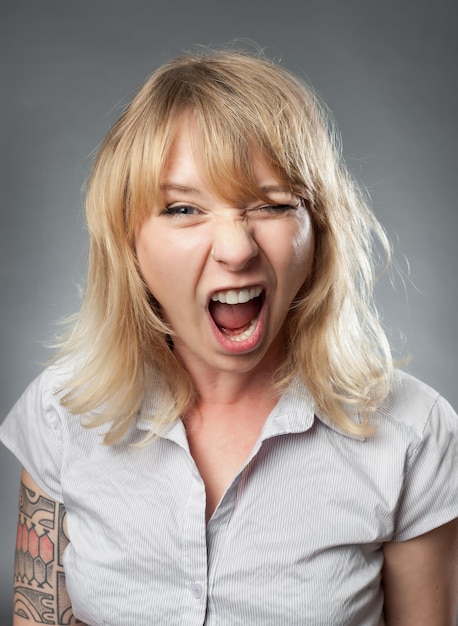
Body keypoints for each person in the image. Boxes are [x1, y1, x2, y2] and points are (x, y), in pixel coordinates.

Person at [1, 49, 457, 626]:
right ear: (128, 239)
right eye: (184, 208)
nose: (238, 249)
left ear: (318, 230)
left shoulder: (413, 434)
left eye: (271, 204)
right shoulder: (61, 413)